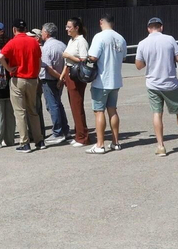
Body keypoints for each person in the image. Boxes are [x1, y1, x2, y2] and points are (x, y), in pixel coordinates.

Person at [135, 17, 178, 156]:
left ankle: (160, 146)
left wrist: (150, 61)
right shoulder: (169, 39)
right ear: (161, 27)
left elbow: (139, 65)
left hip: (152, 84)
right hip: (170, 83)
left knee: (157, 113)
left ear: (148, 29)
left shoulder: (142, 43)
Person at [85, 14, 126, 153]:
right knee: (112, 110)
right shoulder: (120, 38)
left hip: (101, 80)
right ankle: (115, 142)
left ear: (101, 21)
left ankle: (100, 144)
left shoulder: (99, 36)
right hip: (116, 80)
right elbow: (123, 57)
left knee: (99, 111)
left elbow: (93, 56)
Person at [2, 21, 45, 152]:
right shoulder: (33, 42)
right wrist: (36, 73)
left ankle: (24, 142)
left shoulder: (13, 42)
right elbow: (39, 60)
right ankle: (39, 140)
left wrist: (8, 68)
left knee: (20, 112)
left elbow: (1, 56)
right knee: (33, 110)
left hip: (18, 78)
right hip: (32, 79)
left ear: (14, 29)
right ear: (25, 29)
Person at [60, 18, 93, 148]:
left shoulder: (81, 41)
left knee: (77, 105)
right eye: (66, 26)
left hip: (77, 75)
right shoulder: (72, 40)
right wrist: (62, 75)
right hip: (69, 73)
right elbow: (67, 60)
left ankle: (83, 137)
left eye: (69, 27)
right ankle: (78, 134)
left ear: (76, 28)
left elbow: (84, 60)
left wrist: (68, 56)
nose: (67, 29)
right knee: (73, 106)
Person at [38, 22, 70, 143]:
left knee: (52, 105)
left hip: (50, 79)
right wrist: (61, 78)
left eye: (42, 31)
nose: (41, 33)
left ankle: (58, 132)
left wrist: (60, 78)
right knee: (57, 104)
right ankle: (65, 130)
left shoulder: (47, 47)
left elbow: (48, 68)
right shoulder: (62, 44)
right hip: (60, 78)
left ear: (46, 33)